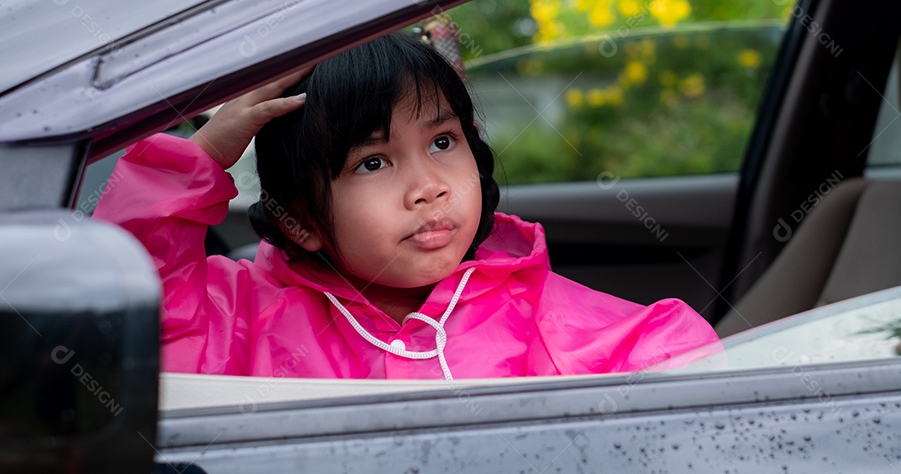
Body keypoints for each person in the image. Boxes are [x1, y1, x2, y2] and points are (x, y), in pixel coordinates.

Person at [94, 32, 720, 380]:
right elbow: (113, 309)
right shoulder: (240, 324)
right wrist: (200, 153)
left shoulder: (554, 322)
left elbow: (681, 374)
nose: (429, 186)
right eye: (373, 162)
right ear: (301, 219)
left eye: (443, 142)